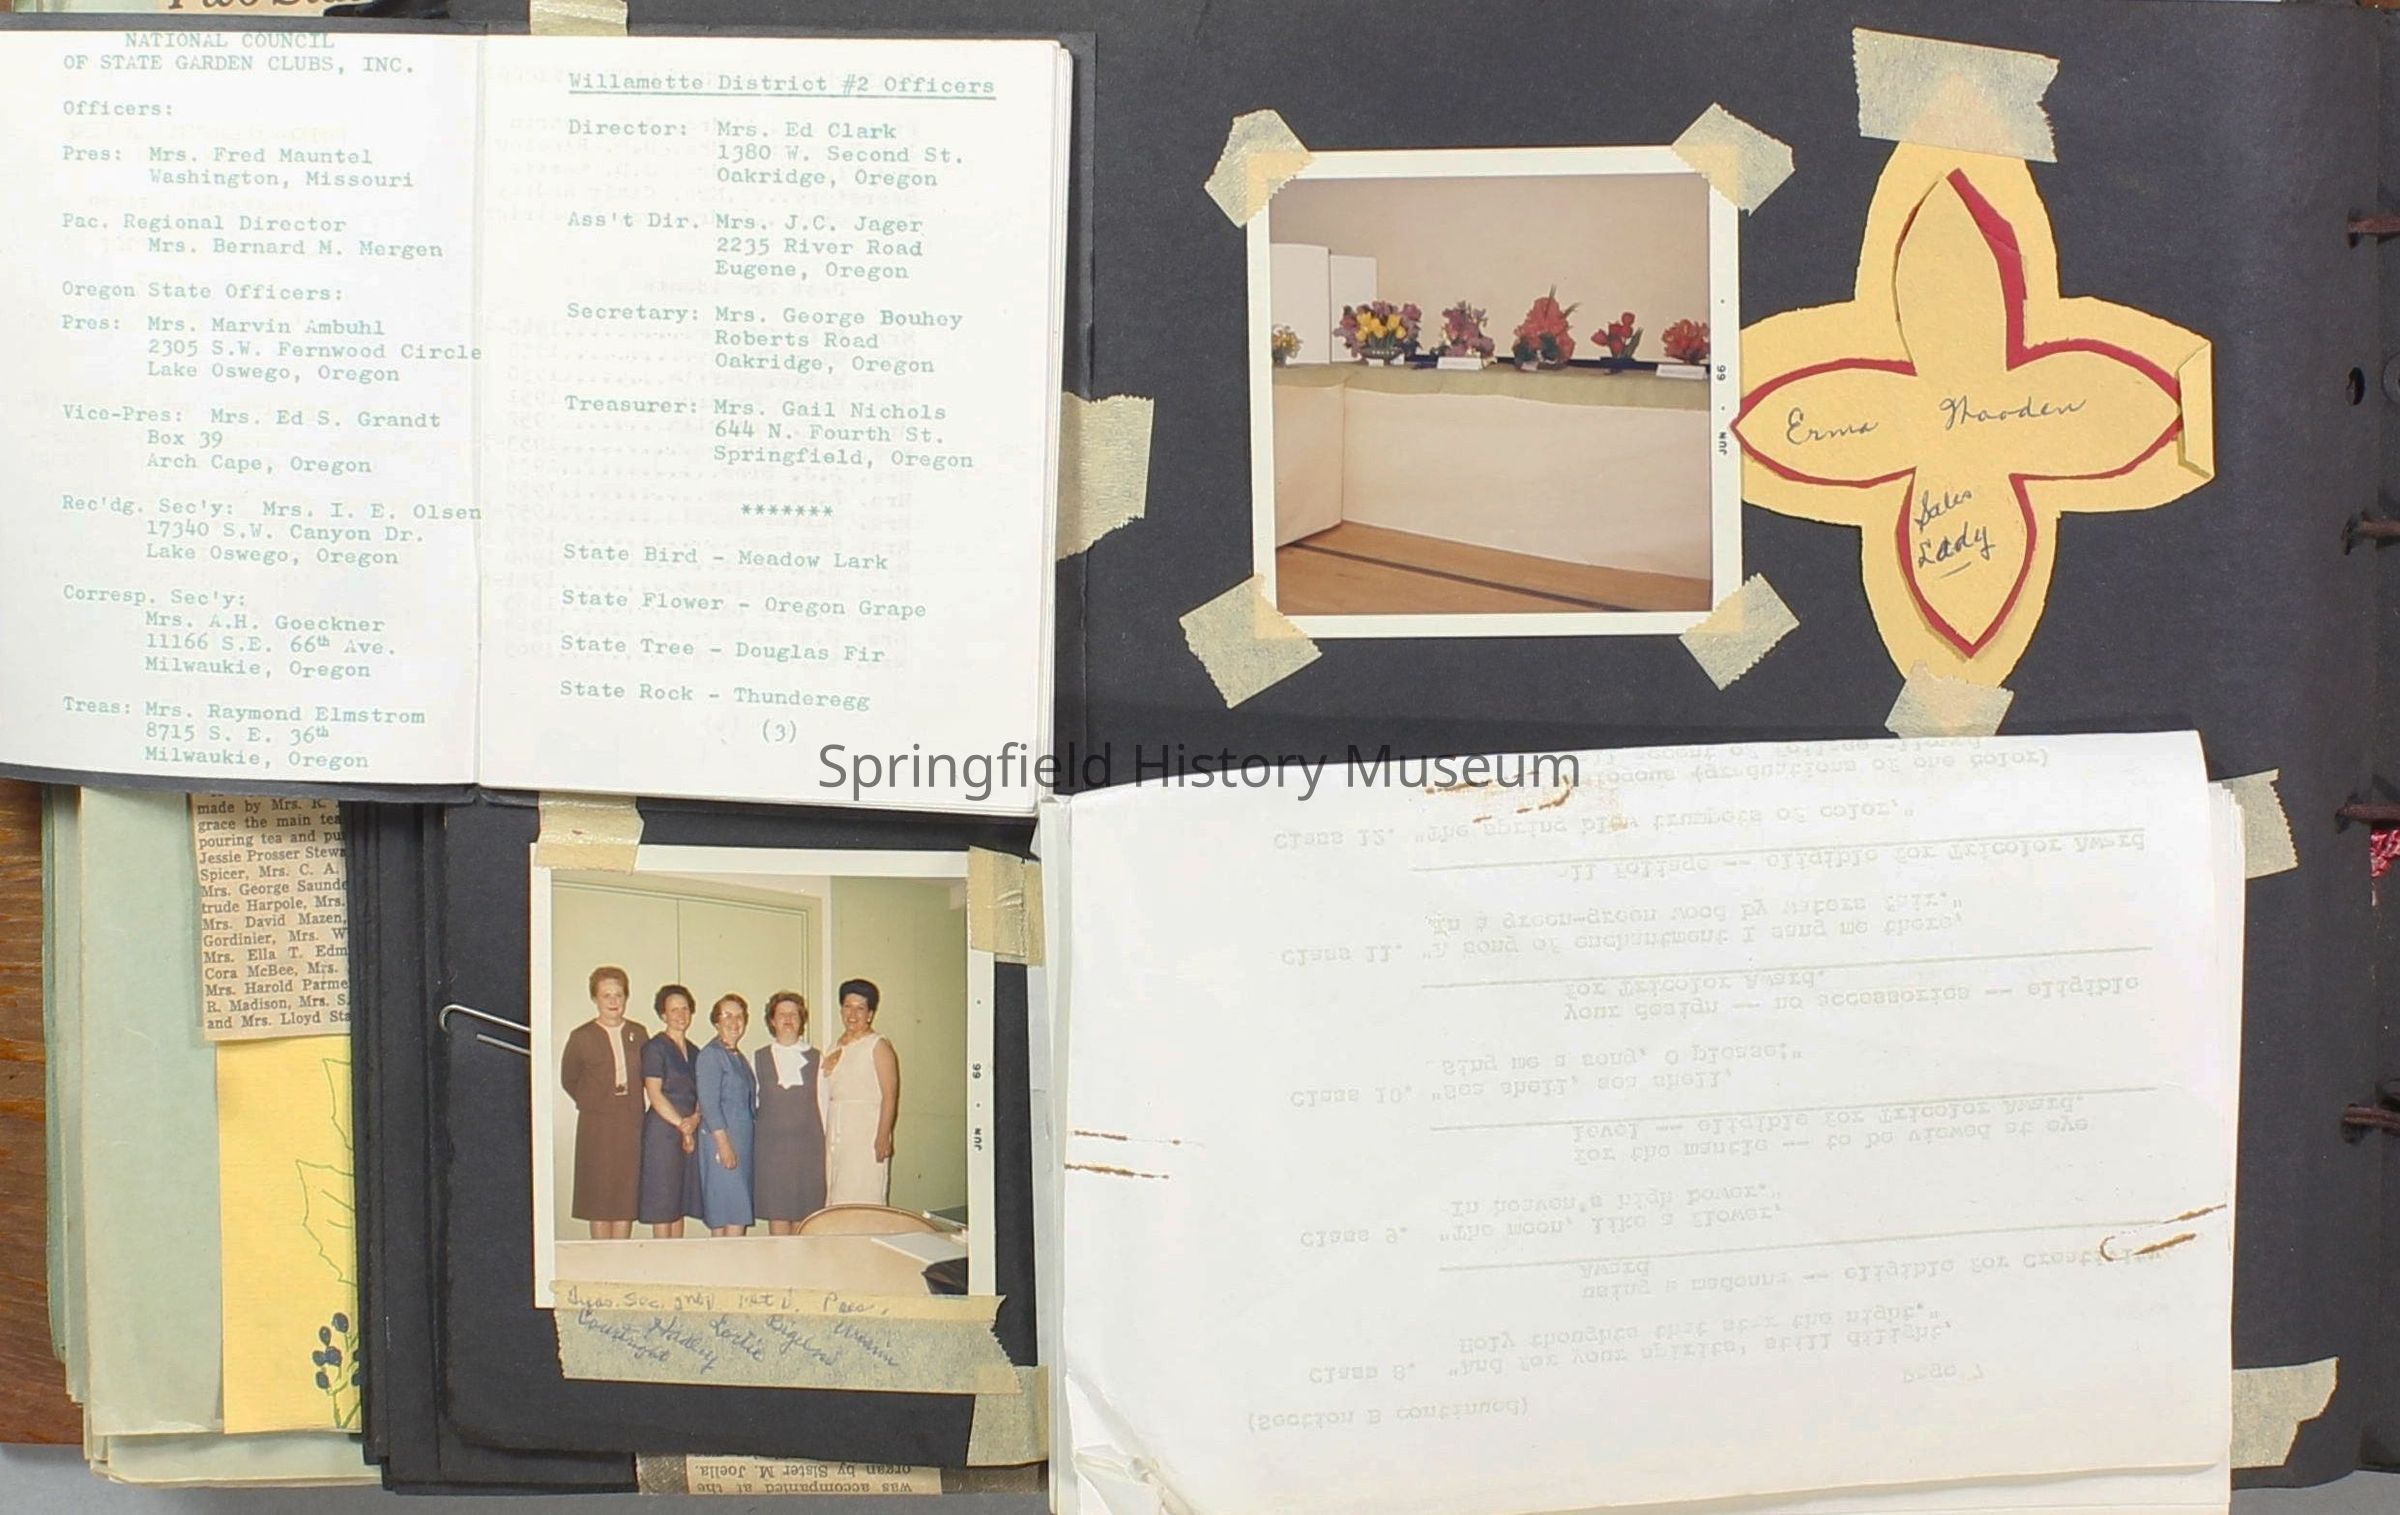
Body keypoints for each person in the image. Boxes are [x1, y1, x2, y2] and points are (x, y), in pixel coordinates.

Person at [559, 965, 648, 1239]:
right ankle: (599, 1258)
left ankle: (620, 1258)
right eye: (606, 995)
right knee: (598, 1194)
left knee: (625, 1192)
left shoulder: (638, 1032)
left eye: (618, 994)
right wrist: (593, 1102)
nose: (613, 1001)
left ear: (626, 997)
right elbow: (569, 1078)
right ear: (595, 998)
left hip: (630, 1121)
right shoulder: (582, 1036)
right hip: (596, 1124)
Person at [751, 990, 828, 1233]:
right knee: (778, 1214)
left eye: (793, 1014)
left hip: (808, 1151)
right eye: (781, 1014)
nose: (787, 1019)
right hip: (772, 1152)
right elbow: (751, 1104)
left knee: (804, 1219)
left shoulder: (817, 1058)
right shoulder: (759, 1058)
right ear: (772, 1021)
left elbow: (825, 1106)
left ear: (801, 1020)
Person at [820, 977, 900, 1207]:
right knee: (837, 1193)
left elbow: (890, 1095)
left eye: (860, 1008)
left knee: (863, 1192)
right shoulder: (834, 1047)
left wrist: (883, 1136)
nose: (852, 1014)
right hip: (838, 1131)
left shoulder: (878, 1045)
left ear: (870, 1014)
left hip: (865, 1132)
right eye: (847, 1007)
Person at [637, 983, 704, 1237]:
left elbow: (702, 1094)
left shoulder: (696, 1052)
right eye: (674, 1010)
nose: (680, 1015)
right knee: (663, 1203)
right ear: (663, 1014)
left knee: (679, 1201)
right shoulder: (654, 1048)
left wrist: (694, 1119)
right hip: (663, 1132)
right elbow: (654, 1093)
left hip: (689, 1129)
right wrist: (682, 1125)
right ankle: (661, 1258)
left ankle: (677, 1257)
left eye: (685, 1009)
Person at [694, 993, 758, 1236]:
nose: (734, 1021)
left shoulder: (736, 1056)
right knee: (732, 1211)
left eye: (739, 1016)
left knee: (727, 1210)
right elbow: (709, 1104)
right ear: (716, 1021)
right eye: (727, 1015)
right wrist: (724, 1146)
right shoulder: (711, 1054)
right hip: (722, 1141)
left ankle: (723, 1259)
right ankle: (730, 1260)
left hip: (739, 1140)